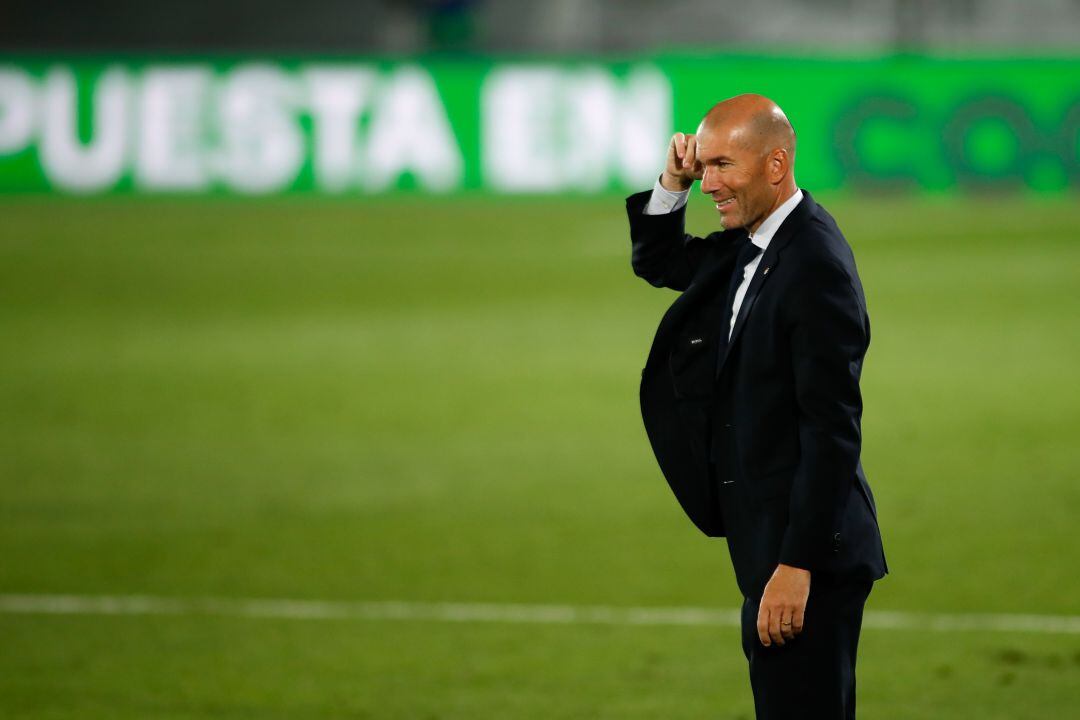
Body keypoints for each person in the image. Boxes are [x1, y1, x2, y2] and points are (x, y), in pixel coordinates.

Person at [626, 94, 888, 719]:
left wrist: (797, 566)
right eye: (703, 164)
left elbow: (831, 432)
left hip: (805, 558)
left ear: (775, 165)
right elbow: (658, 260)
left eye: (723, 166)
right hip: (771, 542)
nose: (709, 183)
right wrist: (673, 181)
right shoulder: (754, 239)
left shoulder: (812, 265)